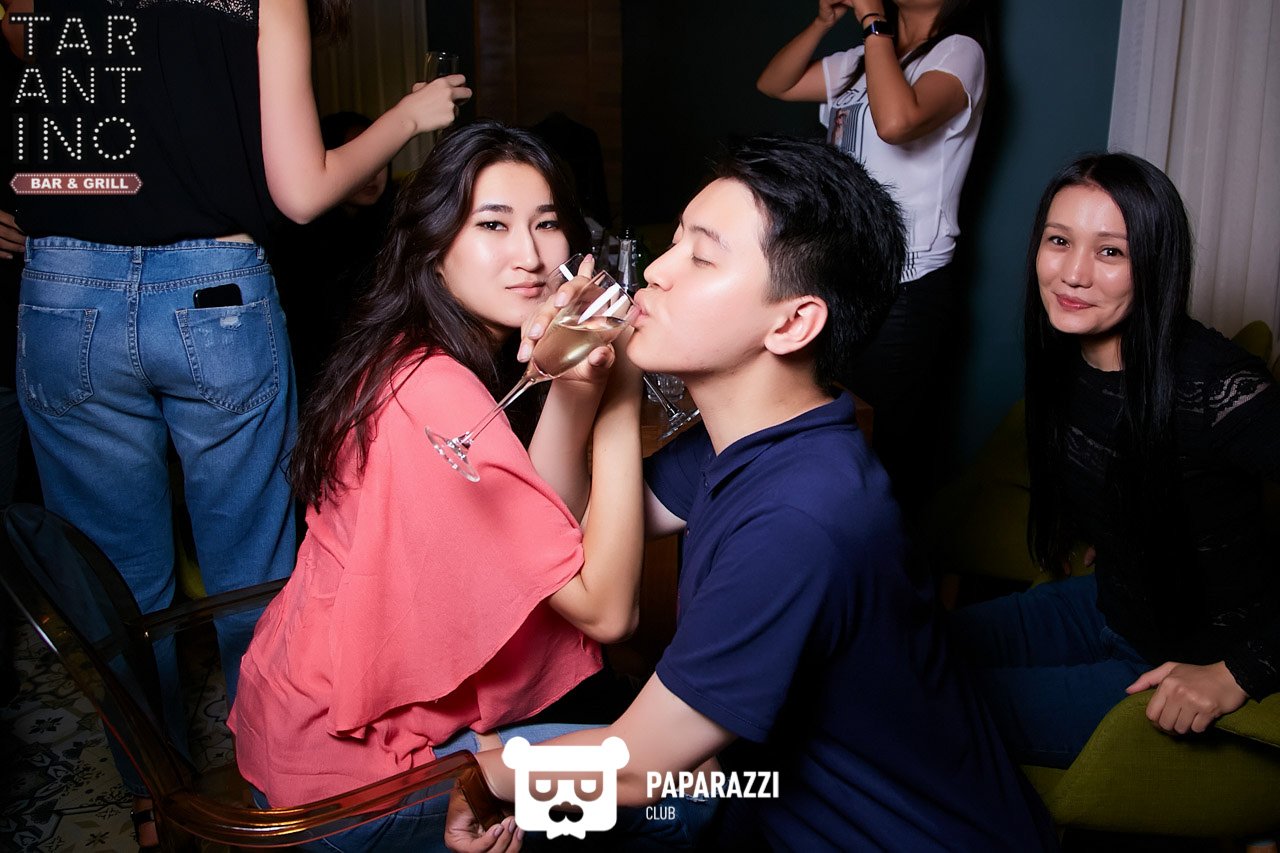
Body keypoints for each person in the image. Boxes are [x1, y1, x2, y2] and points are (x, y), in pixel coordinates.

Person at [444, 136, 1055, 852]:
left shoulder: (805, 516)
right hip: (753, 794)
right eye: (675, 241)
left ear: (793, 322)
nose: (657, 271)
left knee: (446, 777)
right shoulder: (754, 439)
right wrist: (600, 381)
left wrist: (483, 778)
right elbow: (570, 531)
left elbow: (639, 765)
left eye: (701, 257)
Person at [3, 0, 468, 846]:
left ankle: (154, 805)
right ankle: (277, 790)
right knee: (254, 574)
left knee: (114, 584)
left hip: (66, 289)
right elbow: (303, 192)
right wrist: (410, 114)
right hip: (212, 292)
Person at [228, 120, 650, 852]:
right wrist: (624, 389)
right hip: (352, 783)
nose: (530, 255)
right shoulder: (435, 389)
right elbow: (609, 612)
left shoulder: (412, 348)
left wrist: (574, 382)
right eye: (493, 224)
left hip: (295, 725)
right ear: (433, 242)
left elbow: (537, 525)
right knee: (683, 783)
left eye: (547, 223)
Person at [948, 153, 1280, 769]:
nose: (1073, 274)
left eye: (1110, 252)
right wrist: (1130, 525)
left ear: (1155, 263)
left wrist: (1237, 672)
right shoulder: (1066, 354)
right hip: (1107, 607)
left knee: (916, 708)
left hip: (1182, 664)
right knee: (901, 648)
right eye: (1059, 241)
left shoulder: (1218, 387)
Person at [757, 0, 990, 512]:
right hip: (844, 273)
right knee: (834, 431)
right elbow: (775, 83)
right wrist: (823, 22)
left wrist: (870, 20)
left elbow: (897, 122)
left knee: (884, 448)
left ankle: (883, 557)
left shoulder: (959, 53)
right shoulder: (865, 56)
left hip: (906, 285)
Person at [273, 112, 399, 399]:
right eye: (358, 159)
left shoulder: (399, 228)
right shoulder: (297, 245)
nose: (371, 172)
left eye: (378, 158)